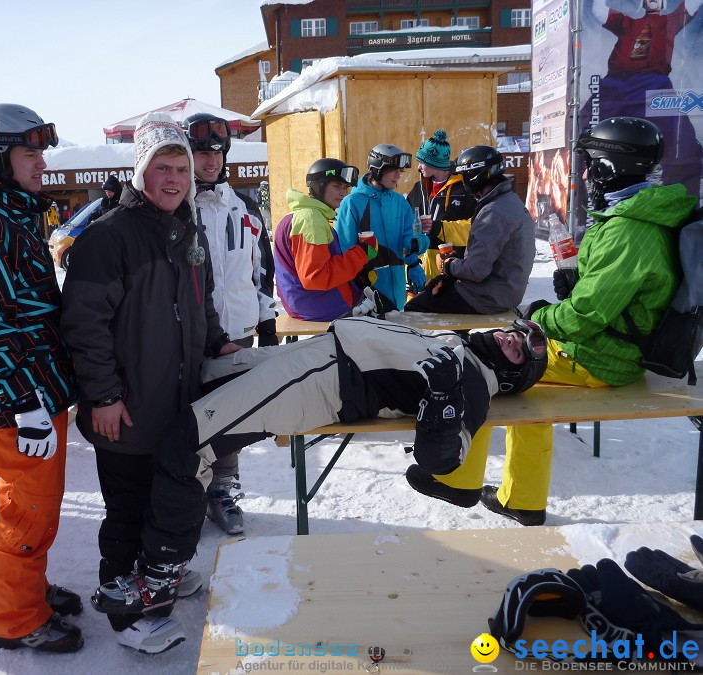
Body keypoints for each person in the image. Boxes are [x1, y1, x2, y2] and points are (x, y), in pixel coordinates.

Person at [88, 316, 548, 622]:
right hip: (320, 351)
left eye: (519, 351)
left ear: (513, 376)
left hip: (328, 379)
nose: (511, 339)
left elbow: (443, 460)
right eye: (516, 332)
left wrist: (445, 400)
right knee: (204, 379)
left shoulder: (473, 383)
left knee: (187, 444)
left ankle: (159, 576)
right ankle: (165, 553)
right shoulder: (459, 347)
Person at [406, 117, 698, 526]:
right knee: (523, 387)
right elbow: (619, 292)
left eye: (591, 164)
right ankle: (522, 499)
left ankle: (457, 479)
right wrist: (576, 280)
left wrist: (536, 315)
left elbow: (584, 317)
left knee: (489, 366)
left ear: (608, 169)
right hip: (617, 346)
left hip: (602, 355)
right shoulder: (647, 218)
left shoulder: (629, 230)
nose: (586, 174)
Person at [60, 112, 241, 654]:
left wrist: (218, 345)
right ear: (140, 172)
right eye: (161, 167)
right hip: (129, 408)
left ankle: (162, 572)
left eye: (181, 168)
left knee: (174, 497)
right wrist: (103, 397)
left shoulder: (187, 228)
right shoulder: (108, 238)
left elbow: (201, 302)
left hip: (179, 401)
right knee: (130, 508)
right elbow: (83, 326)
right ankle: (127, 610)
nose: (174, 179)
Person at [0, 103, 82, 653]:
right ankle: (14, 620)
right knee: (24, 511)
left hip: (37, 389)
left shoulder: (18, 212)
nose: (42, 164)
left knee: (39, 505)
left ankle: (29, 588)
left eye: (42, 152)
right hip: (16, 402)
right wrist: (27, 404)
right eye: (29, 153)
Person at [182, 112, 278, 536]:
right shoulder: (176, 208)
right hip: (187, 334)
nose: (211, 160)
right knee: (185, 418)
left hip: (236, 331)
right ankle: (187, 492)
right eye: (202, 152)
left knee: (229, 419)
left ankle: (222, 491)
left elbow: (260, 272)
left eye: (218, 152)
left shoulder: (245, 207)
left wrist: (267, 320)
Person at [580, 0, 702, 201]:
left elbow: (691, 4)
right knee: (583, 129)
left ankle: (683, 206)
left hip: (652, 82)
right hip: (614, 82)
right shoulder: (626, 23)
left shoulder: (670, 21)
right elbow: (599, 10)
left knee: (684, 142)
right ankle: (579, 209)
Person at [404, 145, 535, 314]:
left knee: (414, 307)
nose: (463, 181)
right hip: (503, 289)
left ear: (475, 177)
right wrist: (451, 276)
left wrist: (447, 265)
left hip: (488, 296)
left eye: (465, 176)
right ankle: (457, 337)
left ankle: (445, 339)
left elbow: (476, 270)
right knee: (437, 292)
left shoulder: (493, 212)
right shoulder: (508, 201)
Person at [274, 158, 404, 321]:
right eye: (336, 186)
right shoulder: (310, 220)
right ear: (318, 186)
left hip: (308, 301)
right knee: (390, 323)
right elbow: (316, 277)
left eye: (345, 187)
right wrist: (361, 254)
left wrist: (356, 275)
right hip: (318, 305)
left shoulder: (302, 215)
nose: (343, 192)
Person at [335, 144, 429, 309]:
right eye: (393, 170)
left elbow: (409, 236)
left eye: (400, 171)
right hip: (366, 291)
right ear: (377, 170)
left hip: (397, 288)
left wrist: (414, 257)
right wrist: (355, 280)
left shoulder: (399, 202)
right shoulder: (352, 203)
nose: (398, 175)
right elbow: (345, 247)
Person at [406, 130, 477, 281]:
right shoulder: (418, 189)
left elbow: (475, 229)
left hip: (449, 272)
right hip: (417, 270)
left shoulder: (464, 190)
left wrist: (438, 228)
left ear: (434, 163)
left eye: (422, 163)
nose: (418, 167)